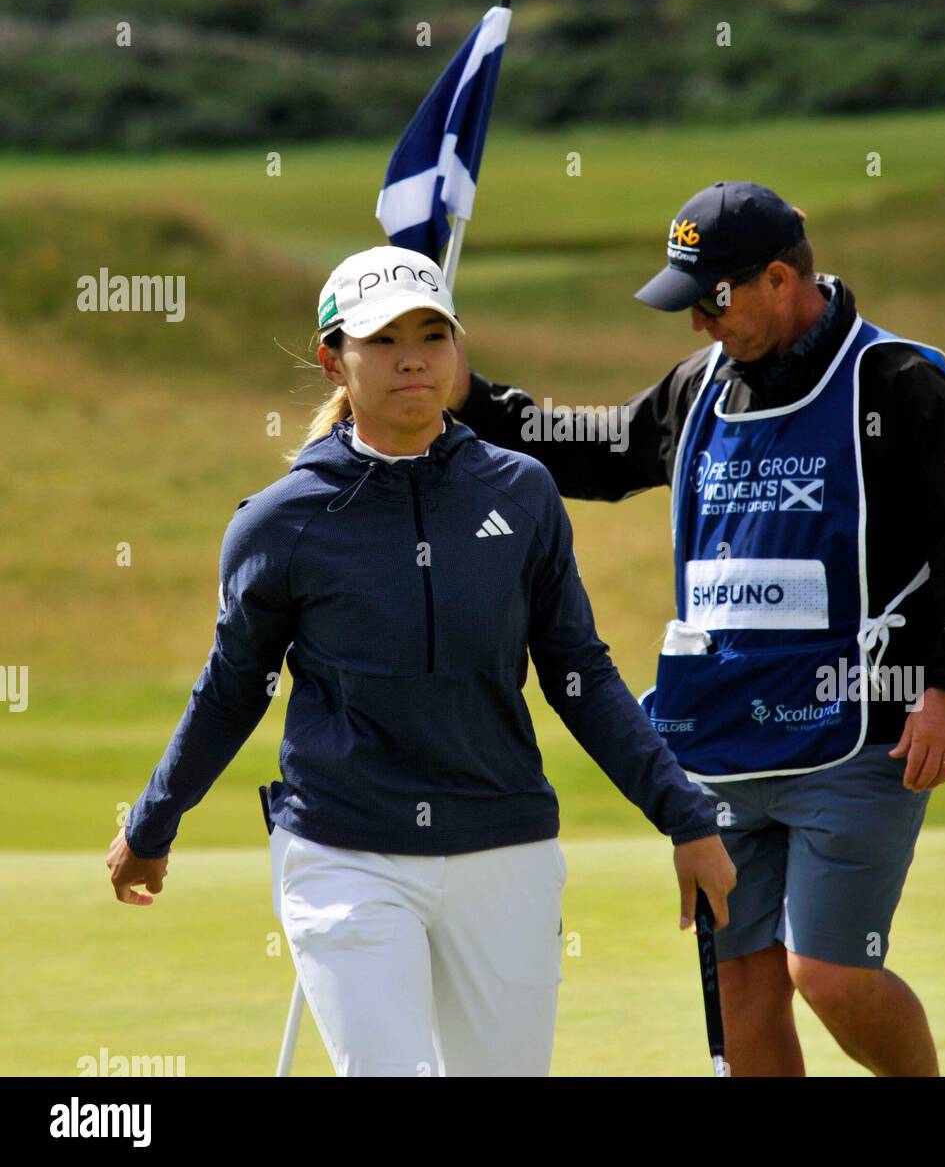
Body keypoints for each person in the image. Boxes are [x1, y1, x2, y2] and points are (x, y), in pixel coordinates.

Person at [107, 244, 735, 1078]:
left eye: (433, 334)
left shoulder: (521, 491)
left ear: (457, 351)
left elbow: (580, 674)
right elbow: (233, 687)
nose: (413, 357)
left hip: (503, 845)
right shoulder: (280, 520)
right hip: (343, 850)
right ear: (336, 357)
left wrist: (683, 815)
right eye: (383, 338)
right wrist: (153, 821)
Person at [448, 181, 945, 1077]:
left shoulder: (898, 381)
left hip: (858, 738)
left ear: (782, 279)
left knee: (828, 973)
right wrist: (469, 397)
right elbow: (598, 449)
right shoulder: (700, 388)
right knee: (748, 989)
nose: (699, 326)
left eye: (712, 299)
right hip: (716, 746)